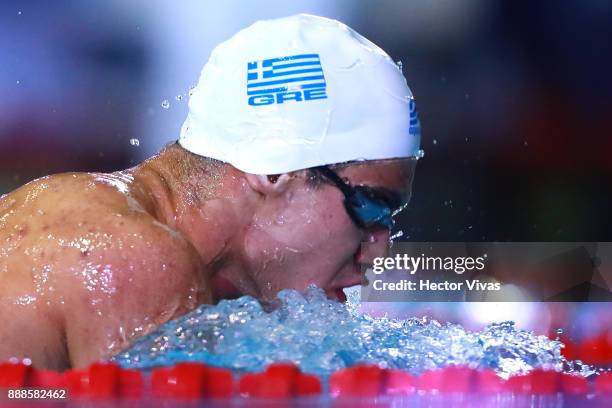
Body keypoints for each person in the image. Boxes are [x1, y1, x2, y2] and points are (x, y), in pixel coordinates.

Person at [0, 14, 421, 370]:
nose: (378, 250)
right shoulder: (140, 262)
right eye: (369, 205)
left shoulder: (88, 216)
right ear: (274, 170)